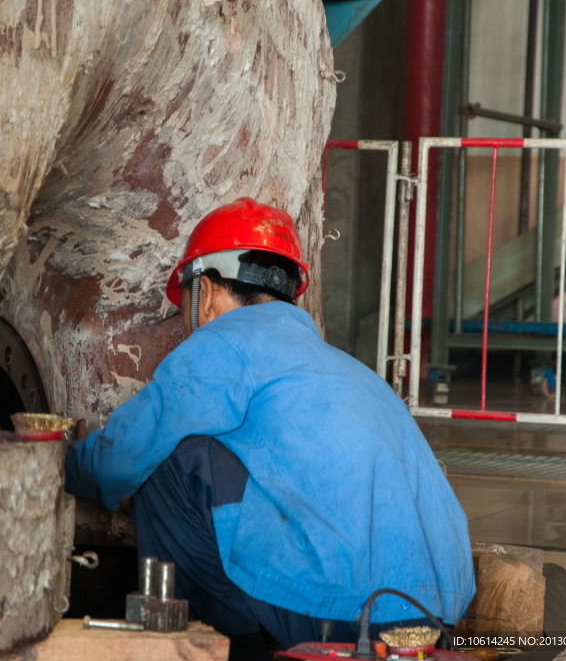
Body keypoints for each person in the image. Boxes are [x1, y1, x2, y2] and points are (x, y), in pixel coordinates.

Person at [64, 198, 474, 660]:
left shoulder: (224, 342)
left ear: (211, 292)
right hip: (440, 611)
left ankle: (228, 652)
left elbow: (124, 455)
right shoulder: (349, 369)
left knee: (169, 464)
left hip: (348, 614)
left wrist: (65, 466)